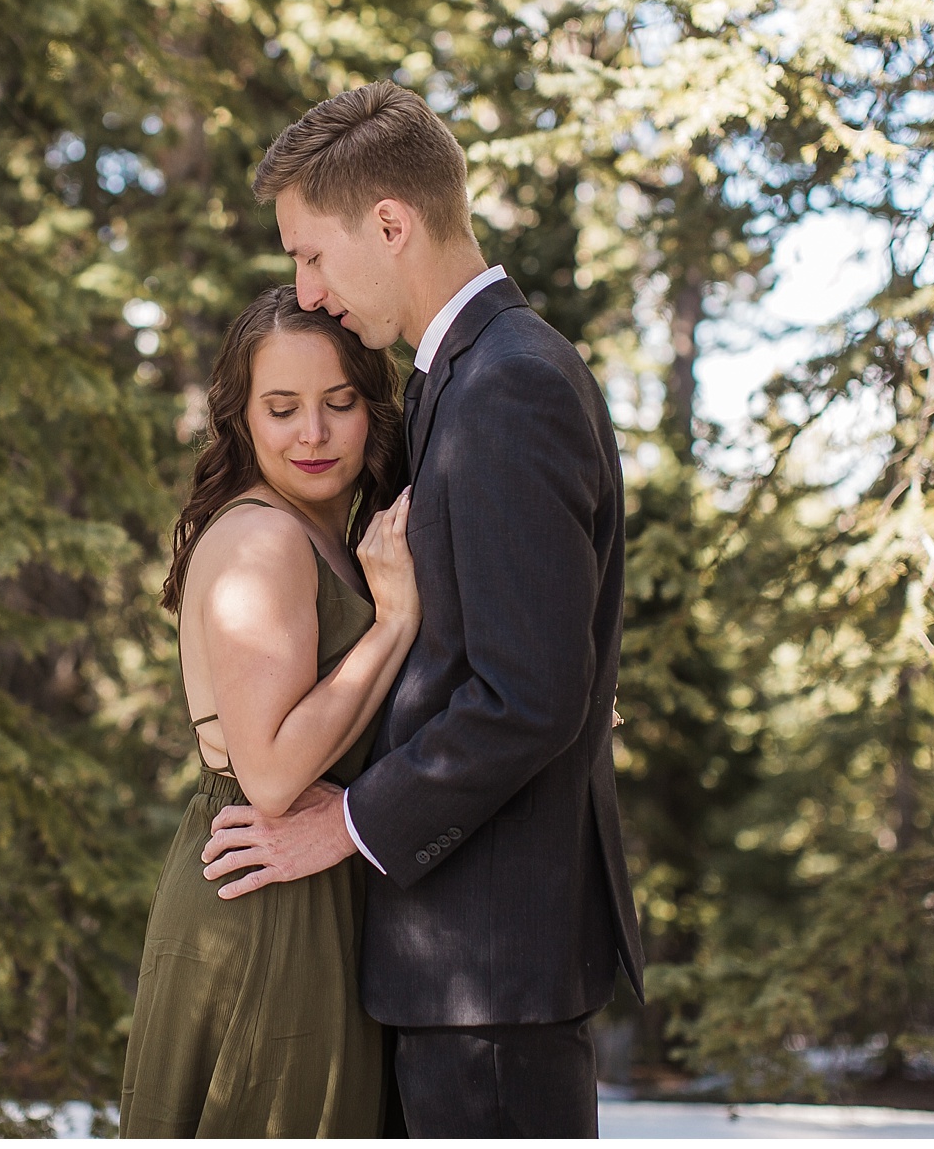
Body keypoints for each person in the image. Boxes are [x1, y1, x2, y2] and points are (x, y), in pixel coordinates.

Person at [200, 81, 647, 1138]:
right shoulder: (468, 374)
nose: (306, 292)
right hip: (468, 967)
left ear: (391, 224)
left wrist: (347, 824)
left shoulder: (506, 385)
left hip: (490, 975)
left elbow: (530, 695)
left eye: (312, 253)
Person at [118, 285, 416, 1137]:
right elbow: (276, 773)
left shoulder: (321, 530)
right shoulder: (266, 539)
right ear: (242, 419)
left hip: (303, 884)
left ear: (372, 408)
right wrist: (395, 623)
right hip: (263, 896)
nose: (312, 435)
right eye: (282, 408)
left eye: (339, 403)